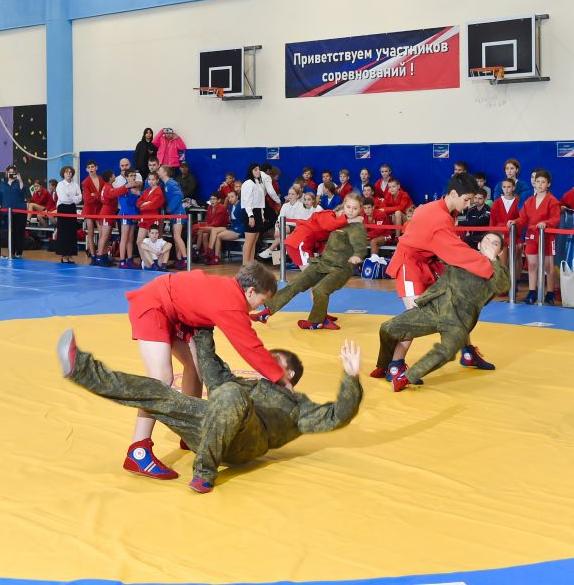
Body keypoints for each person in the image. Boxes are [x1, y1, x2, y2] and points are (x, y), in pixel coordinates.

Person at [58, 326, 361, 493]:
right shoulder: (246, 384)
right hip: (208, 426)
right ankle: (81, 368)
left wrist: (351, 377)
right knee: (159, 392)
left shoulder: (299, 406)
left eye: (274, 361)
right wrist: (203, 326)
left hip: (246, 443)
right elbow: (213, 369)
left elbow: (337, 415)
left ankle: (204, 471)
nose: (264, 363)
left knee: (229, 392)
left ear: (290, 373)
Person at [118, 261, 286, 479]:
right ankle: (138, 451)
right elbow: (250, 347)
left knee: (196, 367)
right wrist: (279, 377)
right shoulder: (230, 302)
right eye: (261, 301)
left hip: (173, 311)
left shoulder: (230, 291)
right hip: (152, 306)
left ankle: (189, 430)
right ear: (250, 291)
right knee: (161, 379)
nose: (258, 307)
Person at [385, 175, 498, 370]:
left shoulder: (442, 208)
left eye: (471, 200)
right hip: (409, 265)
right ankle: (395, 365)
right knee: (415, 317)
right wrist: (488, 265)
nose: (469, 205)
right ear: (453, 194)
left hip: (428, 262)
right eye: (466, 200)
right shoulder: (439, 218)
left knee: (454, 305)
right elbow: (456, 252)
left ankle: (468, 352)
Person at [375, 231, 509, 391]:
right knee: (388, 327)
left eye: (495, 243)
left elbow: (503, 286)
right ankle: (385, 365)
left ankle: (406, 377)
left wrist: (493, 260)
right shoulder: (464, 256)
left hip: (458, 320)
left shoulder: (497, 271)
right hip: (435, 308)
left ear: (500, 251)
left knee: (447, 350)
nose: (489, 245)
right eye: (486, 240)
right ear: (479, 244)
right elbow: (441, 247)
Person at [257, 193, 367, 330]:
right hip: (309, 250)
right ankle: (269, 311)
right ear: (342, 206)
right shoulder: (330, 216)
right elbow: (329, 227)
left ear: (359, 209)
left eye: (354, 209)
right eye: (348, 207)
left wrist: (357, 255)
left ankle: (318, 318)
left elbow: (359, 245)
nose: (350, 211)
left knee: (317, 288)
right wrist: (348, 220)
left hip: (336, 265)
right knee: (300, 283)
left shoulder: (354, 226)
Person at [519, 169, 561, 305]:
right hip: (532, 236)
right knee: (532, 265)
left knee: (548, 266)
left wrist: (546, 223)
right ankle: (532, 292)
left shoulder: (552, 201)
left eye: (543, 182)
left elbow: (556, 219)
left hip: (547, 236)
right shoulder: (529, 201)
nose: (540, 185)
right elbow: (522, 218)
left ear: (548, 184)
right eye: (538, 181)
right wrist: (514, 222)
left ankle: (550, 293)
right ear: (534, 183)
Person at [240, 162, 279, 262]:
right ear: (250, 171)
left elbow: (261, 202)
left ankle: (251, 264)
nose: (258, 171)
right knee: (249, 241)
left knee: (254, 241)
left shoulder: (258, 183)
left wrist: (261, 215)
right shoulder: (248, 183)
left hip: (257, 212)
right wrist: (251, 216)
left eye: (259, 169)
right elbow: (247, 201)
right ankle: (245, 265)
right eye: (255, 170)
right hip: (249, 212)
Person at [158, 165, 188, 269]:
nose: (158, 172)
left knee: (177, 237)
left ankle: (185, 259)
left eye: (160, 170)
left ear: (165, 172)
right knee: (176, 238)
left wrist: (169, 208)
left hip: (178, 213)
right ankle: (178, 260)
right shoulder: (165, 184)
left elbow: (179, 195)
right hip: (174, 214)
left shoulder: (171, 183)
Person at [0, 166, 27, 259]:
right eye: (10, 172)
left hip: (20, 212)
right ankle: (11, 252)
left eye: (13, 172)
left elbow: (23, 191)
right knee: (10, 233)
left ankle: (19, 252)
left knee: (19, 232)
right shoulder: (2, 184)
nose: (11, 174)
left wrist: (20, 180)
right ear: (7, 173)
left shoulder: (19, 183)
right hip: (7, 213)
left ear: (16, 173)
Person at [490, 178, 521, 268]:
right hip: (500, 235)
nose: (506, 189)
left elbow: (522, 220)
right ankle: (504, 277)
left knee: (515, 262)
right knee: (502, 264)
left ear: (513, 188)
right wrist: (491, 237)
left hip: (513, 235)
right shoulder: (497, 202)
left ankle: (514, 277)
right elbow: (492, 221)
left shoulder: (518, 202)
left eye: (509, 187)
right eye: (504, 187)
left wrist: (520, 239)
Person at [208, 192, 245, 263]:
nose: (230, 199)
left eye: (232, 197)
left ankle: (215, 256)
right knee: (214, 230)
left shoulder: (241, 204)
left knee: (218, 236)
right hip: (232, 227)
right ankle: (211, 253)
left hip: (240, 229)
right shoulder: (230, 206)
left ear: (237, 197)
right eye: (229, 197)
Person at [55, 165, 82, 263]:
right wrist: (73, 198)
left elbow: (80, 198)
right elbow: (63, 199)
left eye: (70, 172)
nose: (68, 174)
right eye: (66, 172)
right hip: (62, 208)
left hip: (72, 209)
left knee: (72, 232)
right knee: (63, 232)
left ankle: (70, 254)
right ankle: (64, 255)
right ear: (63, 173)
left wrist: (72, 198)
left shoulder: (75, 185)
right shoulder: (60, 185)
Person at [117, 171, 144, 268]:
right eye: (131, 176)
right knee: (124, 237)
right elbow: (125, 204)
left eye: (134, 176)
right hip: (126, 214)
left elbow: (137, 203)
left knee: (131, 238)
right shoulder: (124, 188)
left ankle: (130, 260)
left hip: (133, 215)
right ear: (126, 177)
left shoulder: (136, 189)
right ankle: (122, 261)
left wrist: (136, 215)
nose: (133, 177)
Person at [195, 194, 228, 259]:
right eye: (211, 199)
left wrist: (205, 226)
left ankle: (197, 250)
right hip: (212, 227)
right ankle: (208, 254)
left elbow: (217, 223)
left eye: (214, 199)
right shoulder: (209, 207)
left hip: (221, 227)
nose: (212, 201)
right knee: (204, 234)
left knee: (201, 229)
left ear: (219, 200)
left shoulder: (221, 207)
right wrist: (206, 226)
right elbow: (208, 220)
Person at [81, 160, 103, 261]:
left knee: (102, 231)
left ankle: (100, 252)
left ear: (96, 168)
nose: (91, 169)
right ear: (86, 169)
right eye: (89, 167)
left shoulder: (101, 180)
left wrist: (94, 195)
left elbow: (103, 195)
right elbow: (87, 199)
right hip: (89, 209)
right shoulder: (85, 182)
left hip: (99, 209)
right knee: (91, 232)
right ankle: (93, 254)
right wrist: (97, 196)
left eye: (92, 167)